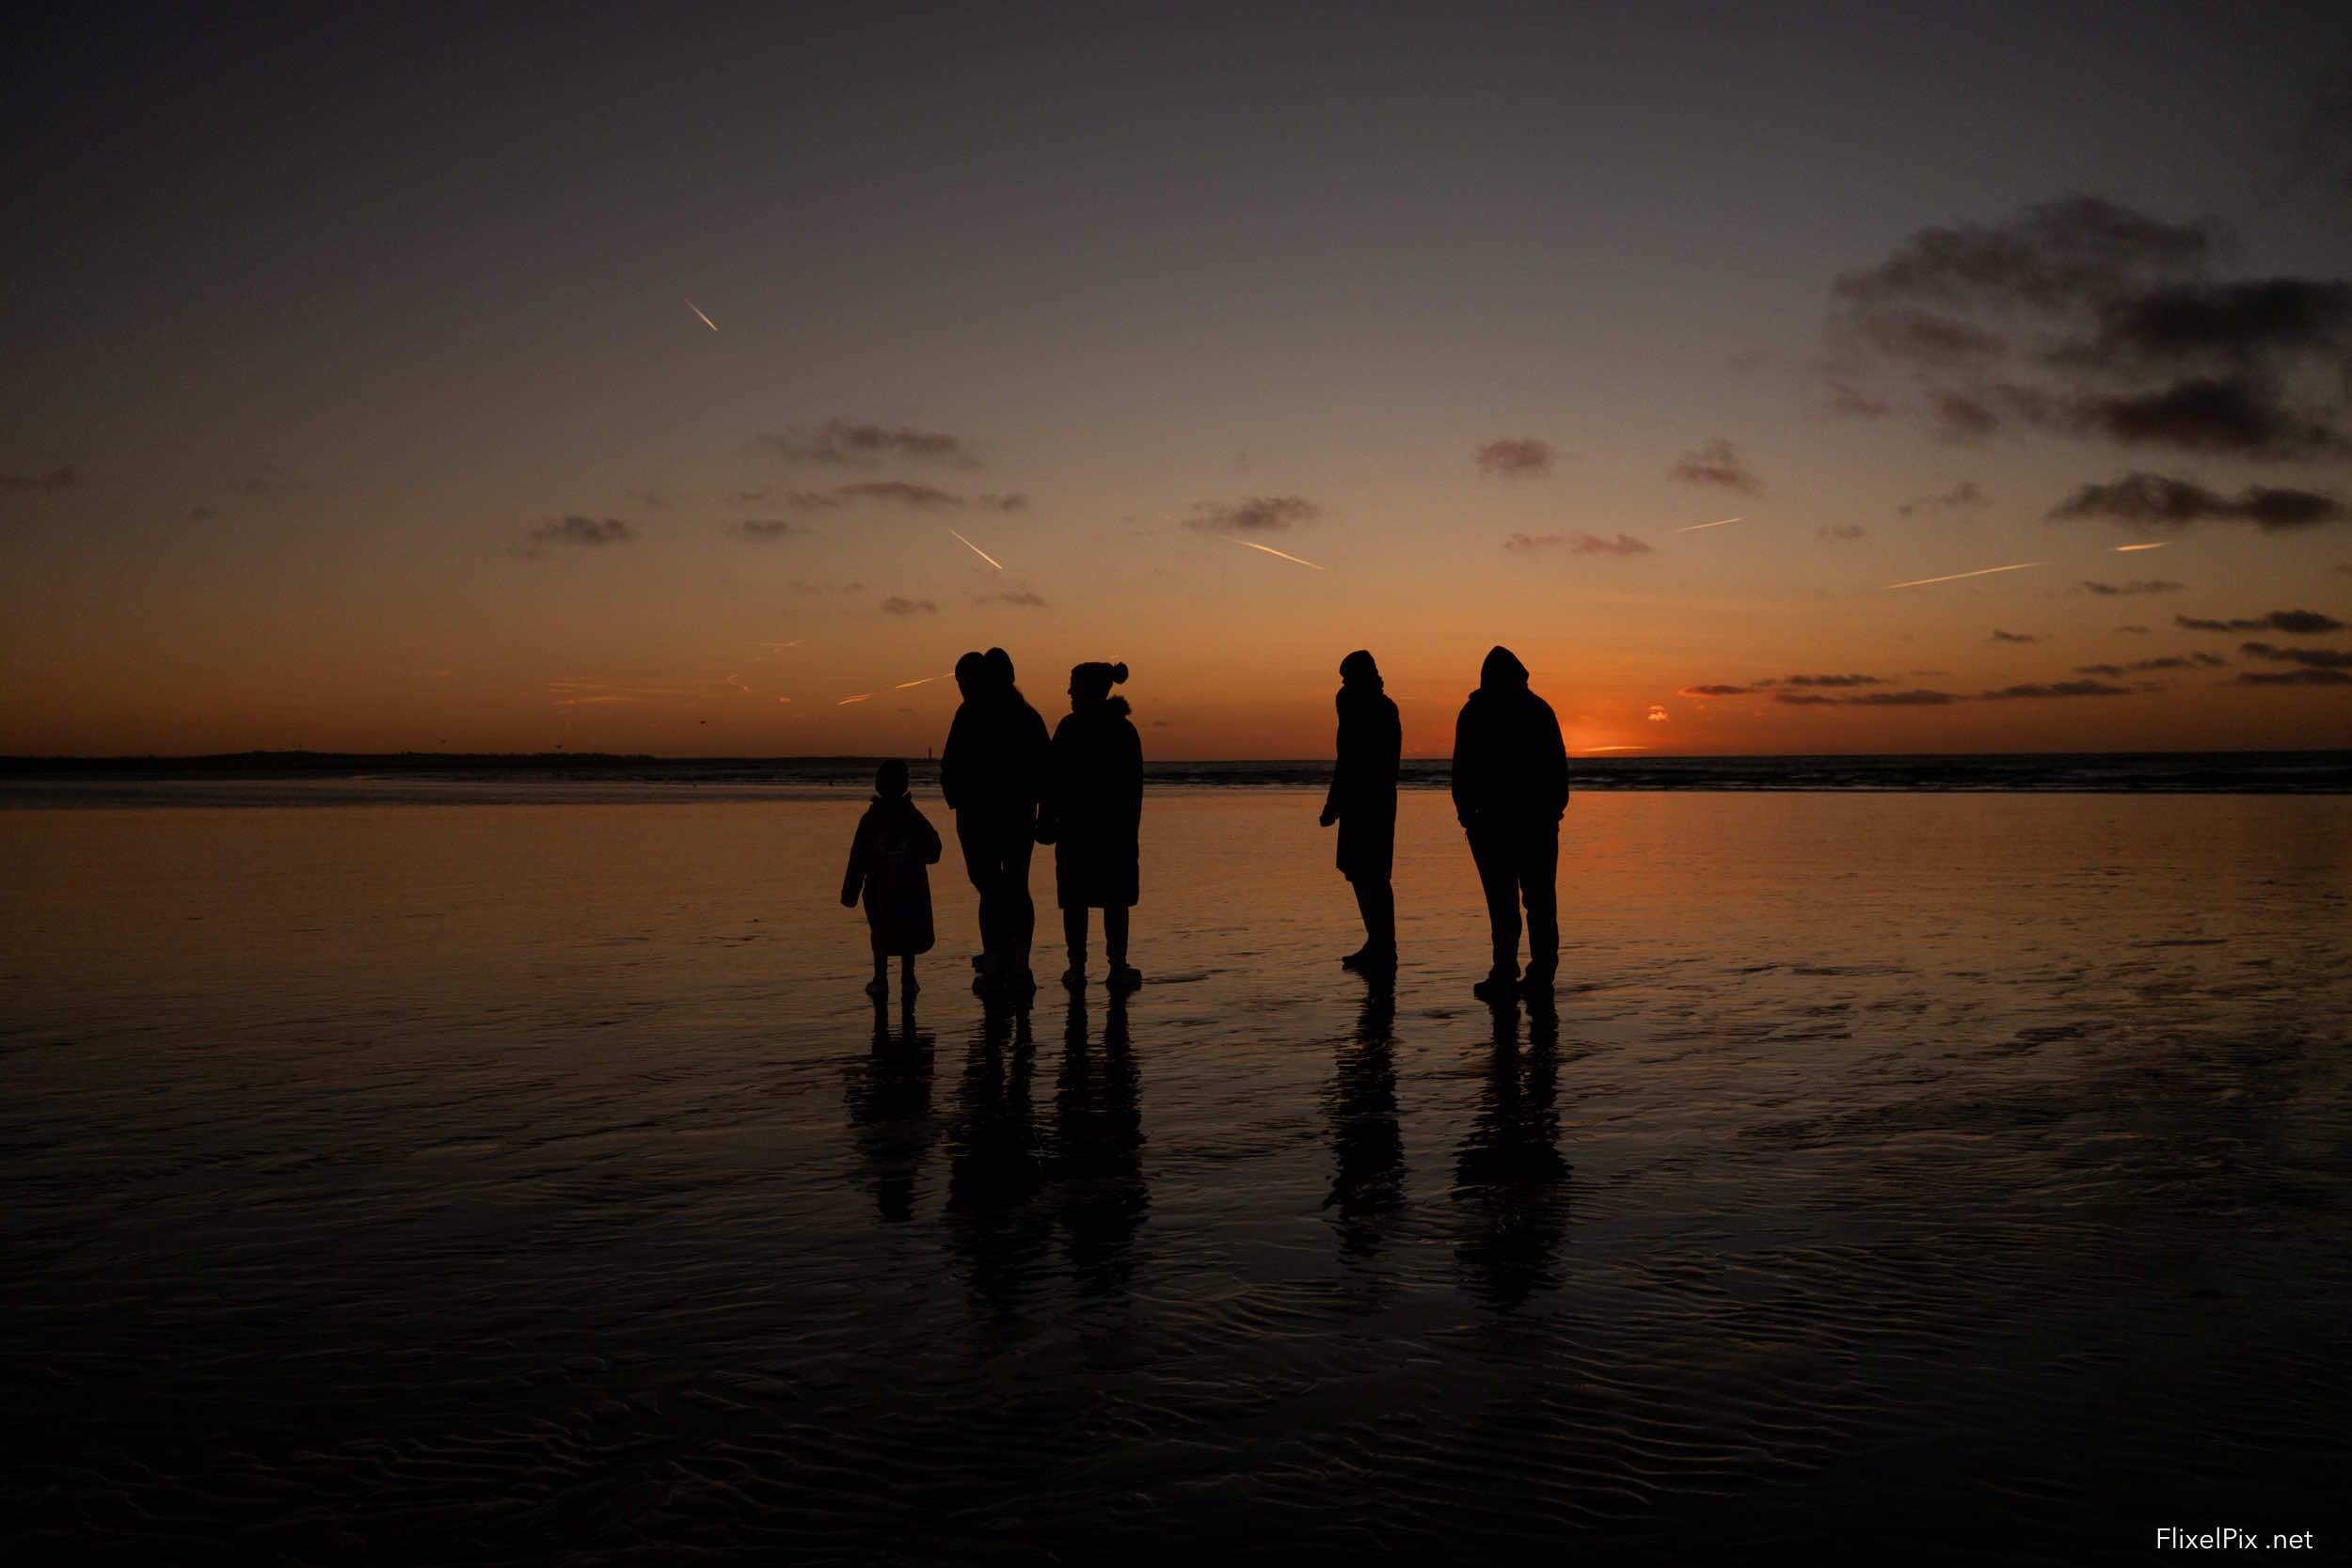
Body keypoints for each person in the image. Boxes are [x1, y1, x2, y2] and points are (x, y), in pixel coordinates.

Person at [1450, 645, 1567, 1001]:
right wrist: (1467, 815)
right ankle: (1530, 973)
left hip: (1514, 824)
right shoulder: (1534, 709)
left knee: (1511, 904)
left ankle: (1514, 972)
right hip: (1514, 824)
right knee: (1534, 903)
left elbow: (1461, 771)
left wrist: (1468, 814)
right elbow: (1557, 769)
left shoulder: (1478, 711)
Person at [940, 646, 1050, 992]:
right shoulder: (1026, 716)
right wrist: (1045, 813)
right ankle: (1016, 963)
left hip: (982, 815)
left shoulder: (972, 713)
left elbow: (951, 763)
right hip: (1011, 813)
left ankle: (998, 963)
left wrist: (956, 798)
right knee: (1012, 886)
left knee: (992, 887)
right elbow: (1046, 772)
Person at [1037, 660, 1143, 991]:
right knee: (1112, 899)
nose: (1069, 692)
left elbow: (1051, 781)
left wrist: (1046, 820)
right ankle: (1115, 966)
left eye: (1074, 685)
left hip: (1081, 829)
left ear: (1089, 689)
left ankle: (1079, 967)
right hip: (1112, 831)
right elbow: (1133, 790)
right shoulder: (1123, 731)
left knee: (1078, 899)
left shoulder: (1070, 728)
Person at [1319, 648, 1400, 972]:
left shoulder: (1379, 709)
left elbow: (1357, 762)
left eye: (1348, 677)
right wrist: (1335, 803)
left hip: (1374, 802)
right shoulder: (1352, 706)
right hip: (1359, 802)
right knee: (1361, 875)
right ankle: (1378, 942)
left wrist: (1334, 803)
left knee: (1374, 876)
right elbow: (1345, 761)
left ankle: (1384, 946)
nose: (1343, 684)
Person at [840, 758, 944, 999]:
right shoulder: (913, 817)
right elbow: (935, 848)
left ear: (879, 785)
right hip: (909, 888)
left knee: (880, 933)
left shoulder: (871, 819)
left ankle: (881, 979)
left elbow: (857, 858)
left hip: (881, 889)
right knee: (906, 935)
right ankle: (908, 979)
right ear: (905, 784)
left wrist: (850, 893)